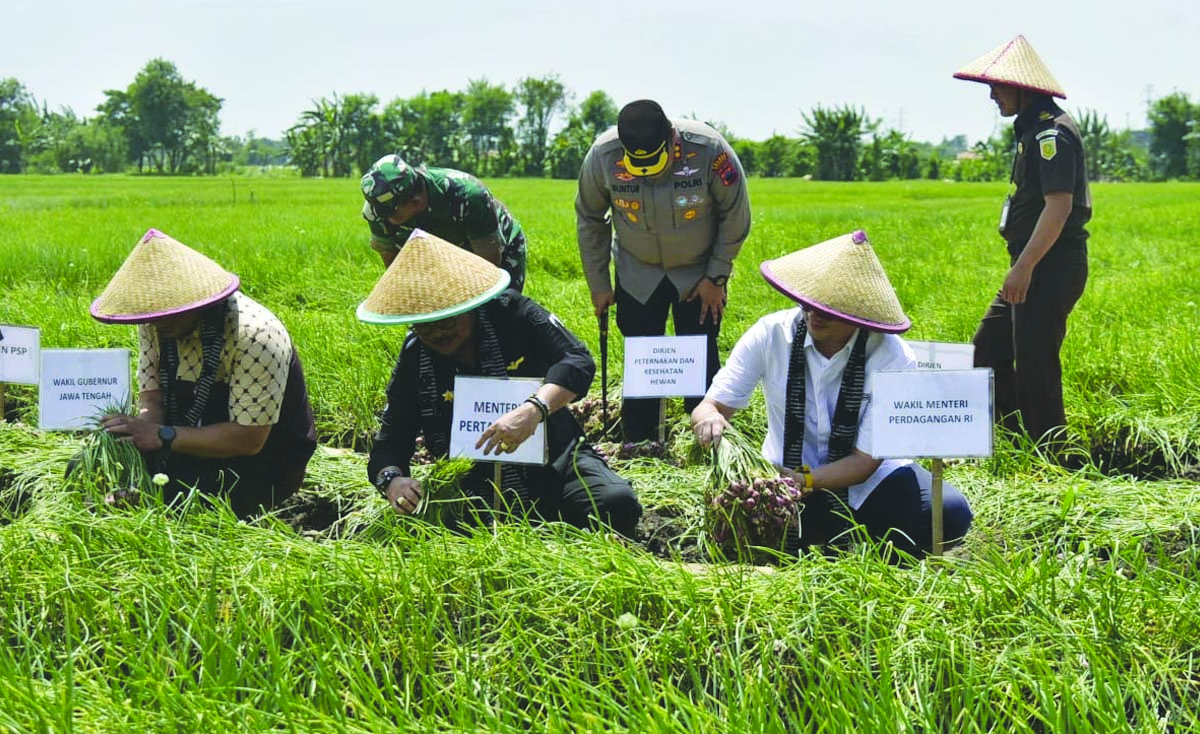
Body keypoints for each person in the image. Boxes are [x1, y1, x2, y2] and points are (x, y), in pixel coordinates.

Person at [690, 230, 973, 558]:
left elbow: (866, 461)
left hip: (867, 482)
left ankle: (870, 545)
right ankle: (819, 534)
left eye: (830, 308)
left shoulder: (891, 355)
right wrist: (709, 420)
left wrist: (805, 481)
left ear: (858, 312)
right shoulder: (771, 334)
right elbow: (711, 405)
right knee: (744, 530)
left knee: (948, 513)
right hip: (782, 474)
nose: (814, 314)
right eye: (808, 303)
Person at [359, 228, 642, 537]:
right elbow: (390, 440)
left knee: (616, 504)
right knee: (439, 528)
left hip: (552, 455)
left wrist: (533, 410)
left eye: (448, 322)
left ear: (468, 306)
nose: (439, 334)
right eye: (426, 328)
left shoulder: (514, 315)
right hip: (469, 475)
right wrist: (392, 480)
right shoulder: (417, 354)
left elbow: (577, 360)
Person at [88, 229, 318, 518]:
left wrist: (162, 436)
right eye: (152, 317)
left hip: (257, 462)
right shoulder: (156, 320)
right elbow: (153, 395)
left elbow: (248, 439)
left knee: (168, 507)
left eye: (168, 315)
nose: (158, 324)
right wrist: (138, 440)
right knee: (93, 476)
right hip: (184, 441)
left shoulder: (255, 336)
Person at [576, 99, 751, 442]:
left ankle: (705, 438)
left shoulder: (708, 150)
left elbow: (735, 213)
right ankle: (639, 439)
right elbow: (590, 217)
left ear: (671, 139)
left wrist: (717, 276)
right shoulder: (603, 155)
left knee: (699, 349)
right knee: (642, 353)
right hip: (637, 271)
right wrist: (598, 283)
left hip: (698, 274)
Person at [954, 35, 1091, 445]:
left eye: (996, 87)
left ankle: (1051, 454)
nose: (993, 96)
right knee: (987, 349)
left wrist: (1024, 268)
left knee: (1036, 365)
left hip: (1047, 267)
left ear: (1021, 87)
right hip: (1033, 265)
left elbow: (1058, 207)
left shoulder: (1053, 135)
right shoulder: (1030, 132)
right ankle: (1015, 440)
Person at [360, 154, 528, 292]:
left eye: (390, 214)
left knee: (495, 310)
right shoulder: (378, 210)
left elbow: (489, 266)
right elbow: (396, 270)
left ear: (415, 203)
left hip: (495, 248)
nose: (386, 220)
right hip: (439, 254)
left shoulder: (468, 195)